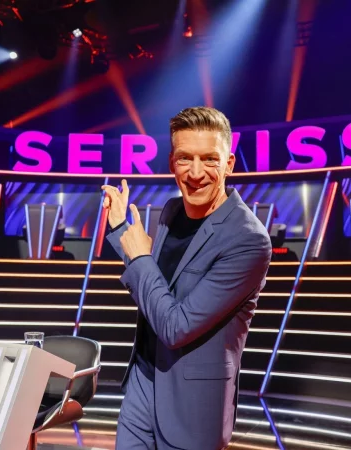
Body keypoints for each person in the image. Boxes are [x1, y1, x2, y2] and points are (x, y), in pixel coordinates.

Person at [101, 106, 273, 449]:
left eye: (210, 159)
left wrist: (138, 254)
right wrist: (122, 231)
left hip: (192, 408)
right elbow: (153, 286)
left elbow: (176, 327)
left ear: (229, 163)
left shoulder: (248, 240)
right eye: (185, 159)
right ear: (171, 163)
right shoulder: (171, 210)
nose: (196, 173)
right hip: (141, 385)